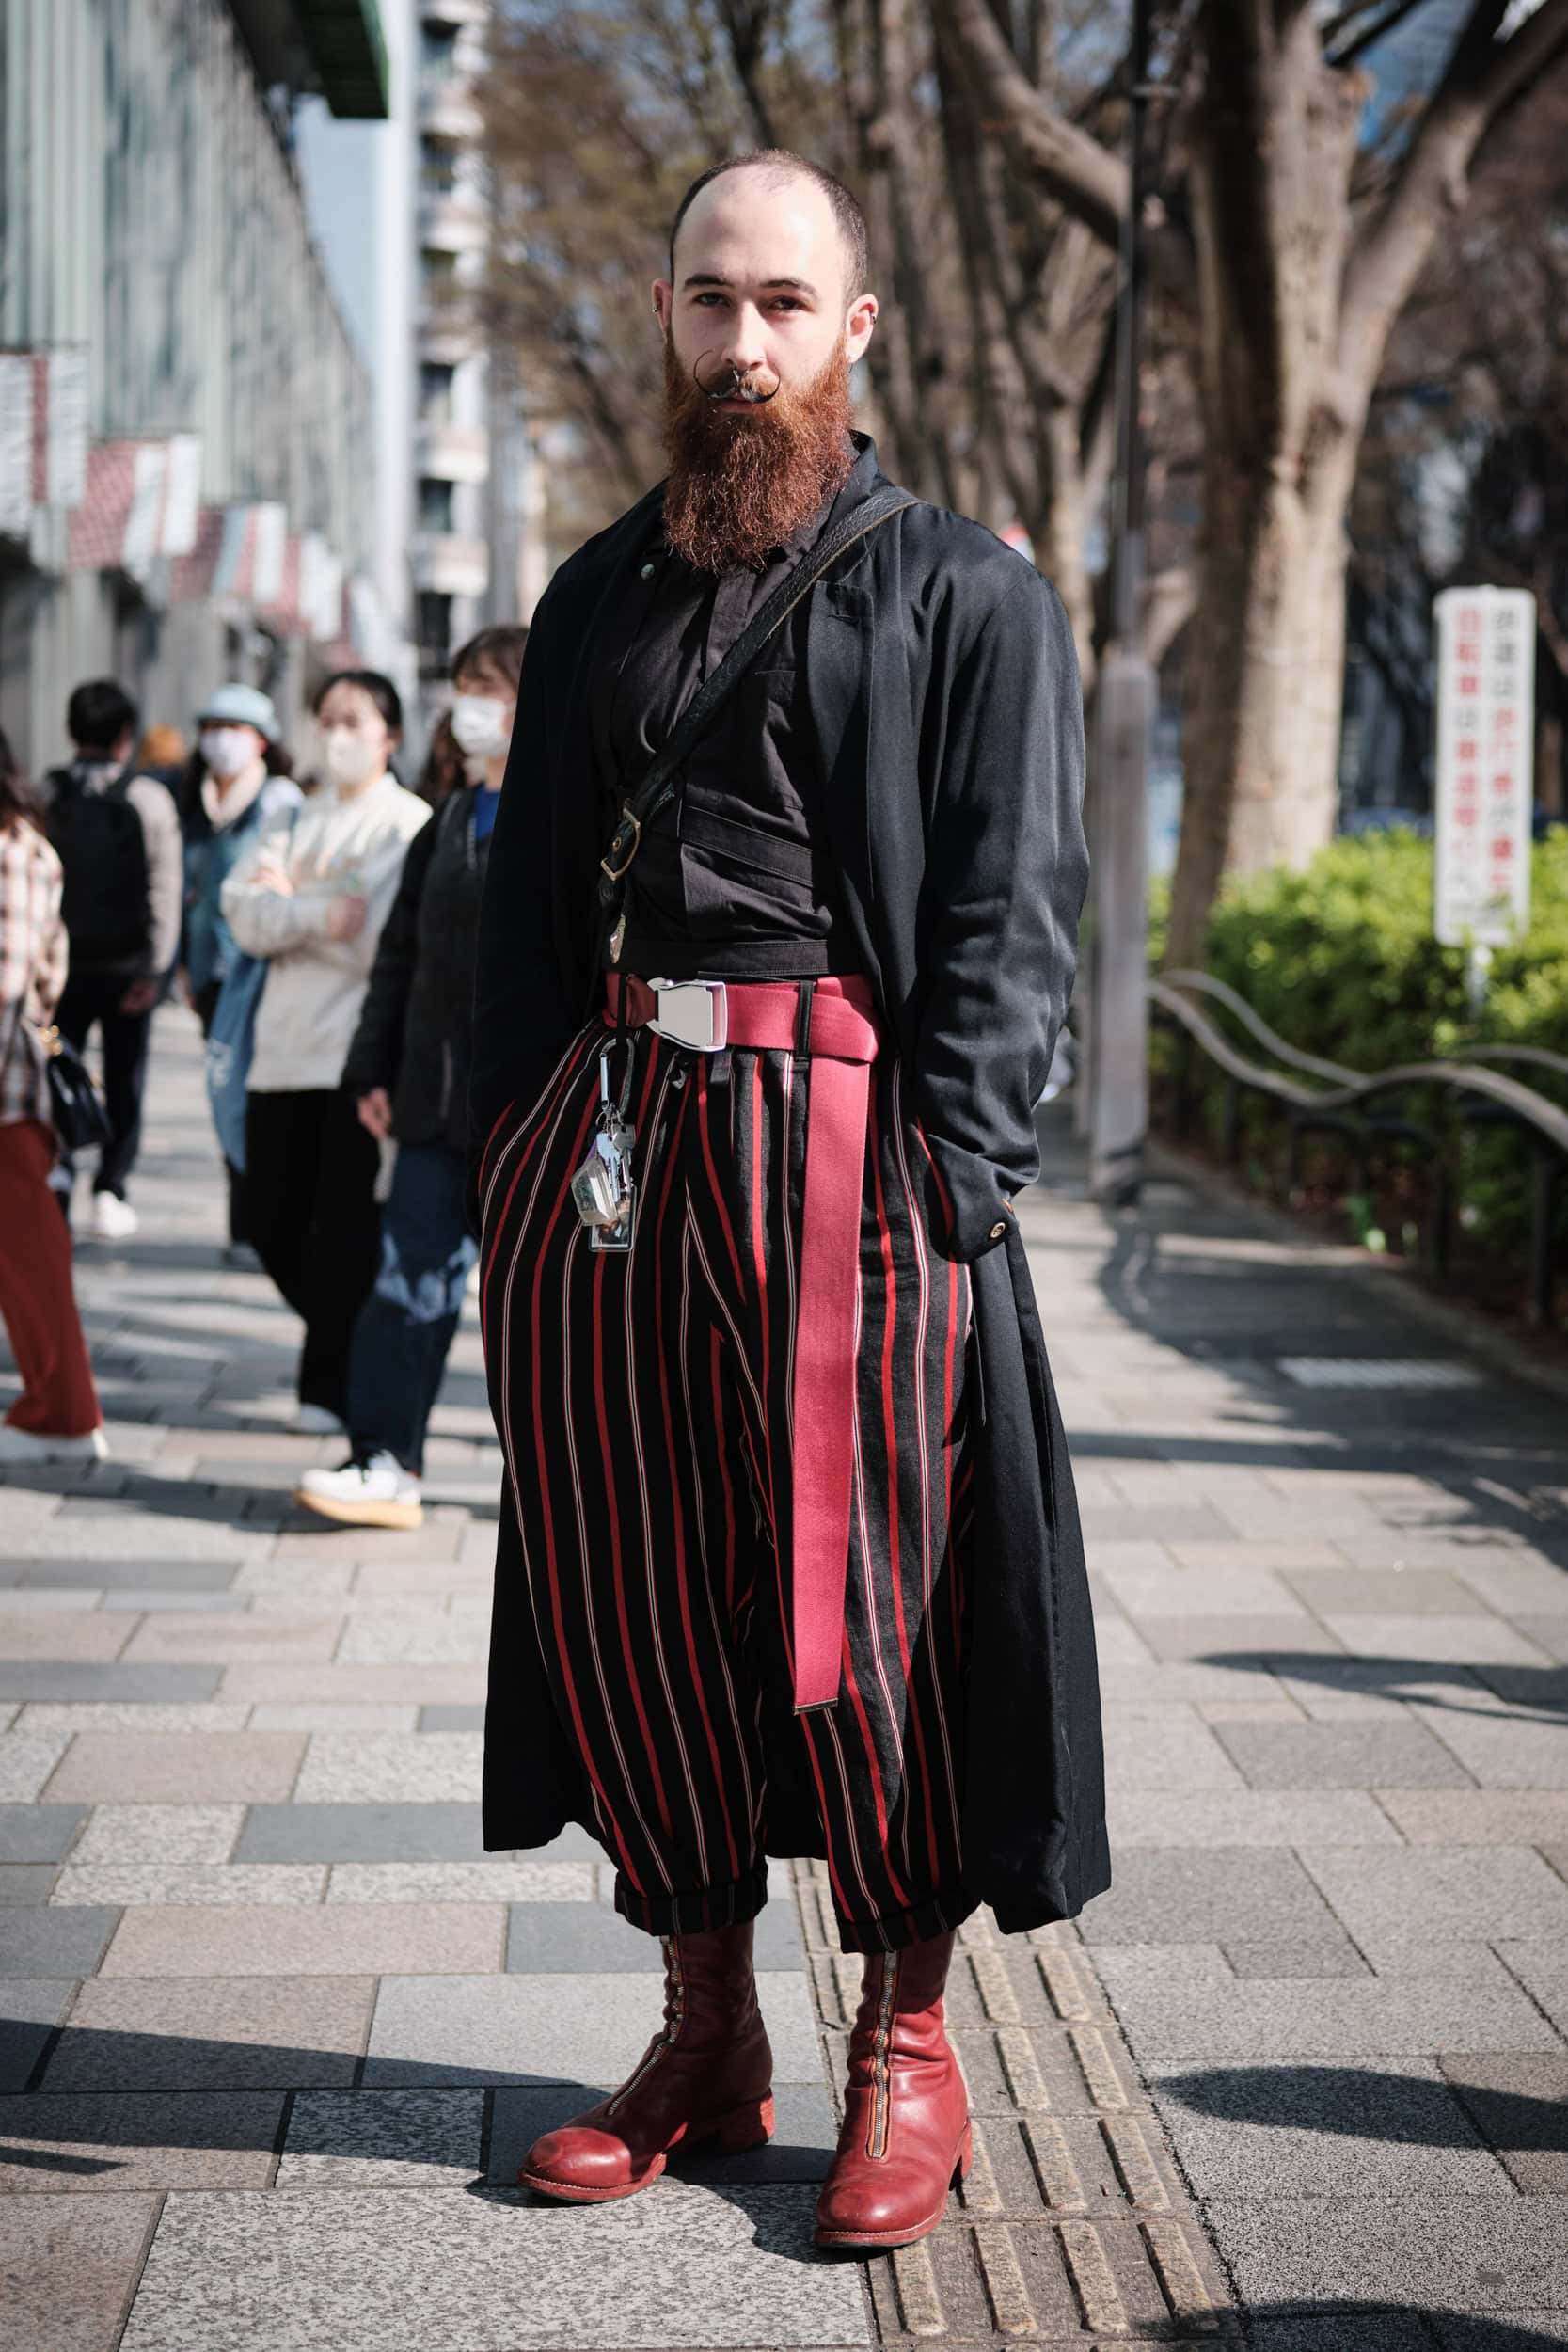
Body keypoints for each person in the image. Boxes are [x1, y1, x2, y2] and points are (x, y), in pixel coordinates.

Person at [469, 151, 1106, 2250]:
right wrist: (509, 1157)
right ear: (664, 315)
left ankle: (903, 2047)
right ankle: (705, 2026)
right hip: (612, 1156)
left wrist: (952, 1178)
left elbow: (1012, 912)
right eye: (707, 299)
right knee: (637, 1590)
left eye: (780, 303)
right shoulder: (594, 592)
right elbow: (522, 905)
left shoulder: (965, 592)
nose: (739, 342)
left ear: (853, 329)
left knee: (878, 1608)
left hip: (857, 1165)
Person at [293, 628, 528, 1529]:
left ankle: (554, 1484)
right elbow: (399, 956)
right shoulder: (448, 821)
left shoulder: (566, 816)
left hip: (532, 1104)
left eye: (489, 687)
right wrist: (373, 1069)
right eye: (464, 686)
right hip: (432, 1098)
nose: (471, 706)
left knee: (533, 1305)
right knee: (404, 1282)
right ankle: (385, 1458)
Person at [221, 671, 430, 1436]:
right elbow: (242, 915)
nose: (336, 735)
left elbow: (374, 936)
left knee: (343, 1227)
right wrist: (314, 913)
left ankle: (328, 1386)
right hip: (279, 1052)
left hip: (353, 1056)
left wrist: (288, 904)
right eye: (327, 720)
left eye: (353, 721)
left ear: (390, 735)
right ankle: (354, 1341)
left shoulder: (405, 824)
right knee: (270, 1220)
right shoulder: (294, 815)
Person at [40, 679, 182, 1240]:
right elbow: (165, 887)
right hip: (127, 970)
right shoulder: (148, 798)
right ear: (127, 734)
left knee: (57, 1071)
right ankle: (112, 1187)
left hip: (62, 972)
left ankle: (59, 1171)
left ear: (70, 730)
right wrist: (156, 969)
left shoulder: (47, 793)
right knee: (126, 1079)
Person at [0, 727, 106, 1464]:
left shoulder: (14, 853)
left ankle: (63, 1414)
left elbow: (9, 985)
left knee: (31, 1262)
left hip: (7, 1095)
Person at [179, 685, 302, 1260]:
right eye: (212, 727)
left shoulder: (278, 801)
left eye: (235, 728)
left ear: (261, 740)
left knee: (248, 1094)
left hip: (256, 971)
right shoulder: (196, 798)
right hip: (211, 975)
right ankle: (244, 1224)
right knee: (224, 1088)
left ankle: (258, 1223)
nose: (221, 739)